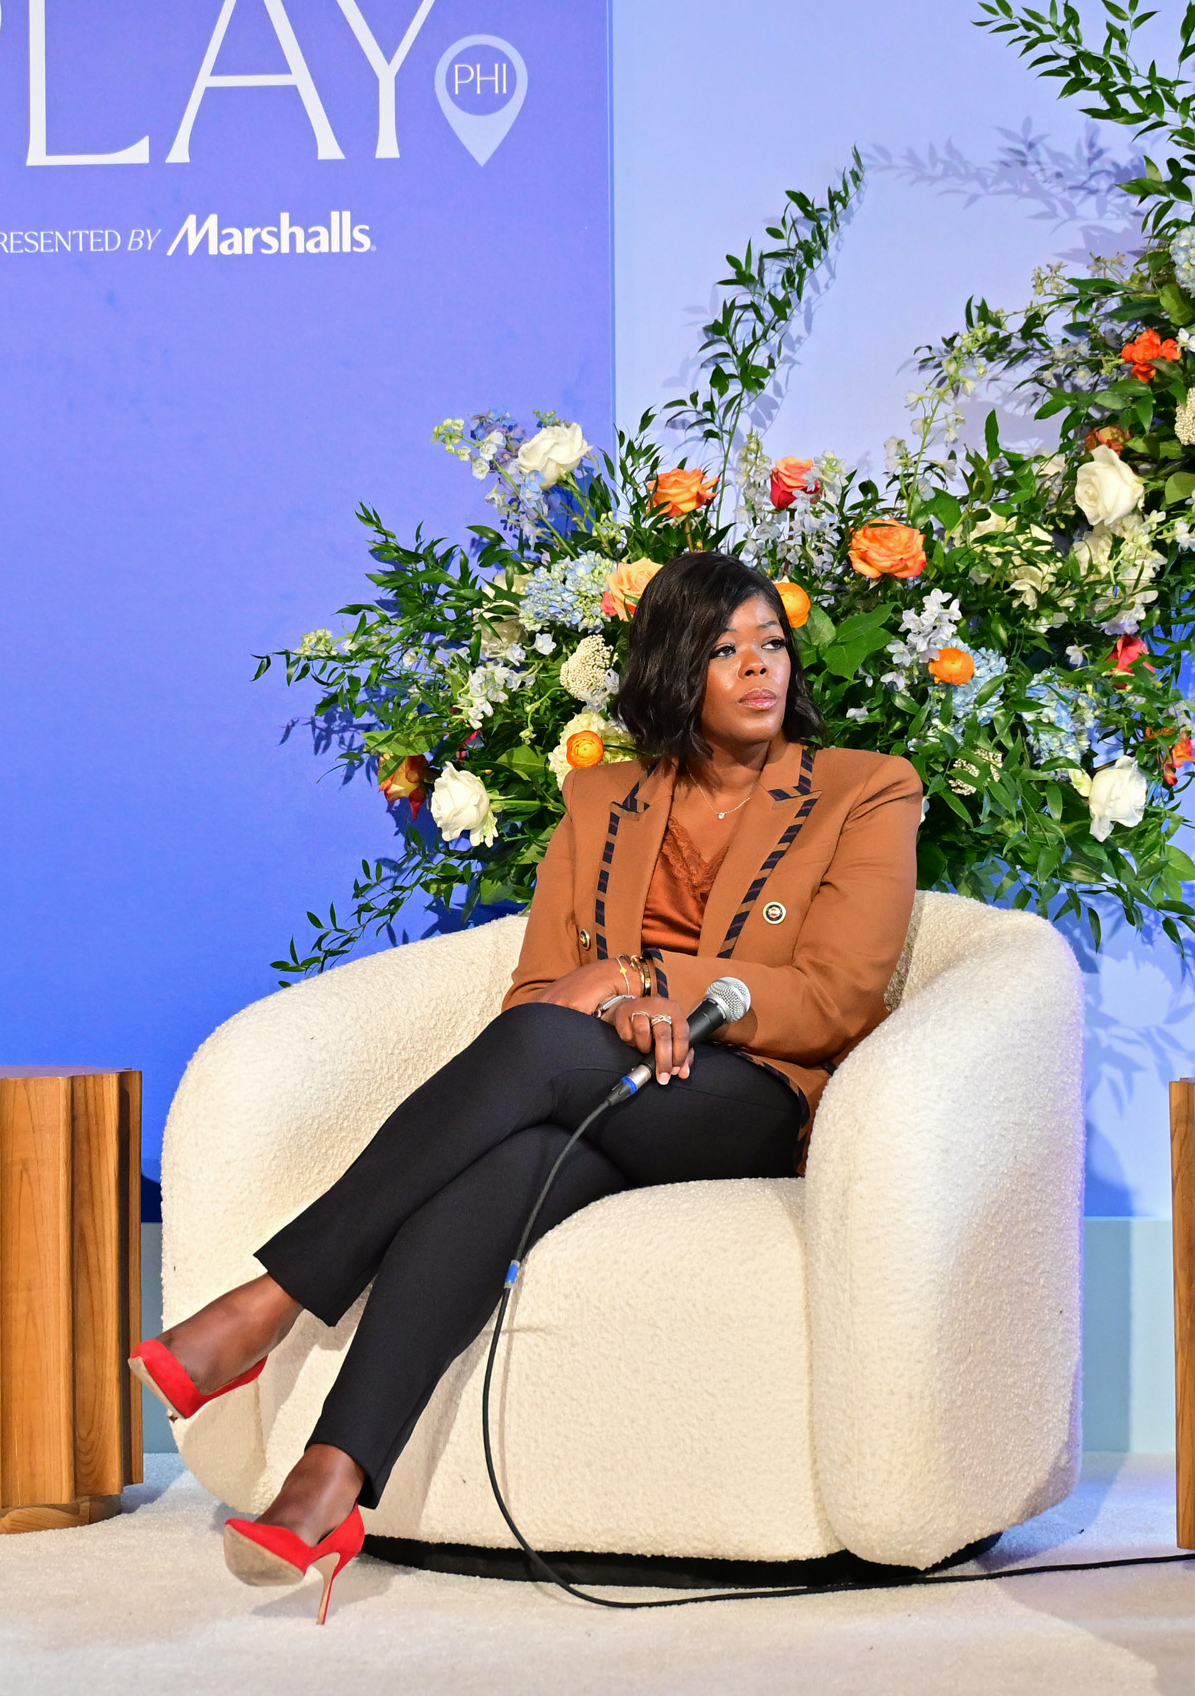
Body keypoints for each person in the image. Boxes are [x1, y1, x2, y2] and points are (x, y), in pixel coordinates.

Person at [136, 551, 923, 1619]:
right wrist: (608, 1007)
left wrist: (645, 982)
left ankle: (269, 1301)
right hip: (600, 1092)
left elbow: (836, 997)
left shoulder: (863, 790)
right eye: (722, 649)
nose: (758, 669)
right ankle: (330, 1480)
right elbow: (537, 994)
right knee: (505, 1162)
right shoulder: (602, 800)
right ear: (669, 669)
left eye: (770, 645)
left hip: (745, 1093)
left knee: (548, 1045)